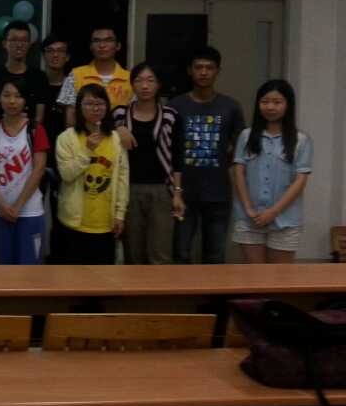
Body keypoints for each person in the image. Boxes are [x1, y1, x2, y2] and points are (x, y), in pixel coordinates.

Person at [169, 46, 245, 264]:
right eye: (198, 67)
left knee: (215, 256)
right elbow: (168, 148)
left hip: (218, 193)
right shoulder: (176, 106)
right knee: (181, 254)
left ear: (217, 71)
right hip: (183, 193)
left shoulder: (230, 107)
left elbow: (241, 147)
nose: (203, 72)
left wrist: (226, 161)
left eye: (209, 68)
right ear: (190, 70)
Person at [112, 63, 185, 265]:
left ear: (158, 84)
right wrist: (118, 130)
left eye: (150, 80)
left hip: (161, 190)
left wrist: (177, 193)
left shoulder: (171, 116)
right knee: (133, 252)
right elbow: (103, 135)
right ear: (132, 84)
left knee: (160, 253)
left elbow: (178, 157)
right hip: (128, 189)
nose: (145, 86)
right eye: (139, 80)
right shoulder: (119, 115)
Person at [232, 80, 312, 264]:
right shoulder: (246, 136)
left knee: (280, 277)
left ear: (288, 105)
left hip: (285, 220)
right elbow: (239, 173)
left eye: (277, 102)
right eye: (265, 101)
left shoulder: (301, 140)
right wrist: (248, 208)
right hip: (250, 218)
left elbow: (300, 181)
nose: (270, 107)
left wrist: (273, 212)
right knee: (254, 276)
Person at [55, 83, 129, 265]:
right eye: (89, 103)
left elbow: (123, 179)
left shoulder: (116, 139)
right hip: (74, 222)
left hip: (106, 223)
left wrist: (120, 214)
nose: (95, 108)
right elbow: (66, 174)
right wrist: (87, 150)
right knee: (74, 276)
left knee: (103, 277)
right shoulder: (66, 138)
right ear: (79, 108)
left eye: (100, 103)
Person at [0, 79, 49, 265]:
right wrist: (1, 205)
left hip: (29, 211)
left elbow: (38, 170)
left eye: (18, 96)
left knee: (29, 268)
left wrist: (18, 206)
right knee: (1, 268)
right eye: (6, 95)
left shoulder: (35, 129)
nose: (12, 101)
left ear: (25, 100)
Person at [56, 26, 132, 126]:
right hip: (83, 134)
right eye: (96, 41)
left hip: (119, 135)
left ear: (118, 46)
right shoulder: (76, 74)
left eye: (108, 40)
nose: (102, 45)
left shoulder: (130, 78)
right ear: (91, 46)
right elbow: (70, 116)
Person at [41, 33, 70, 263]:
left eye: (60, 51)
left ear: (67, 56)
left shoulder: (74, 84)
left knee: (63, 212)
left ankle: (60, 260)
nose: (55, 55)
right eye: (50, 51)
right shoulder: (36, 83)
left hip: (66, 159)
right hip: (37, 158)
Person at [0, 20, 48, 123]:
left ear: (29, 44)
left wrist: (26, 130)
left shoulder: (39, 77)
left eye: (24, 40)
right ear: (4, 43)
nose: (19, 45)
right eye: (14, 40)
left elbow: (39, 116)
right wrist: (2, 130)